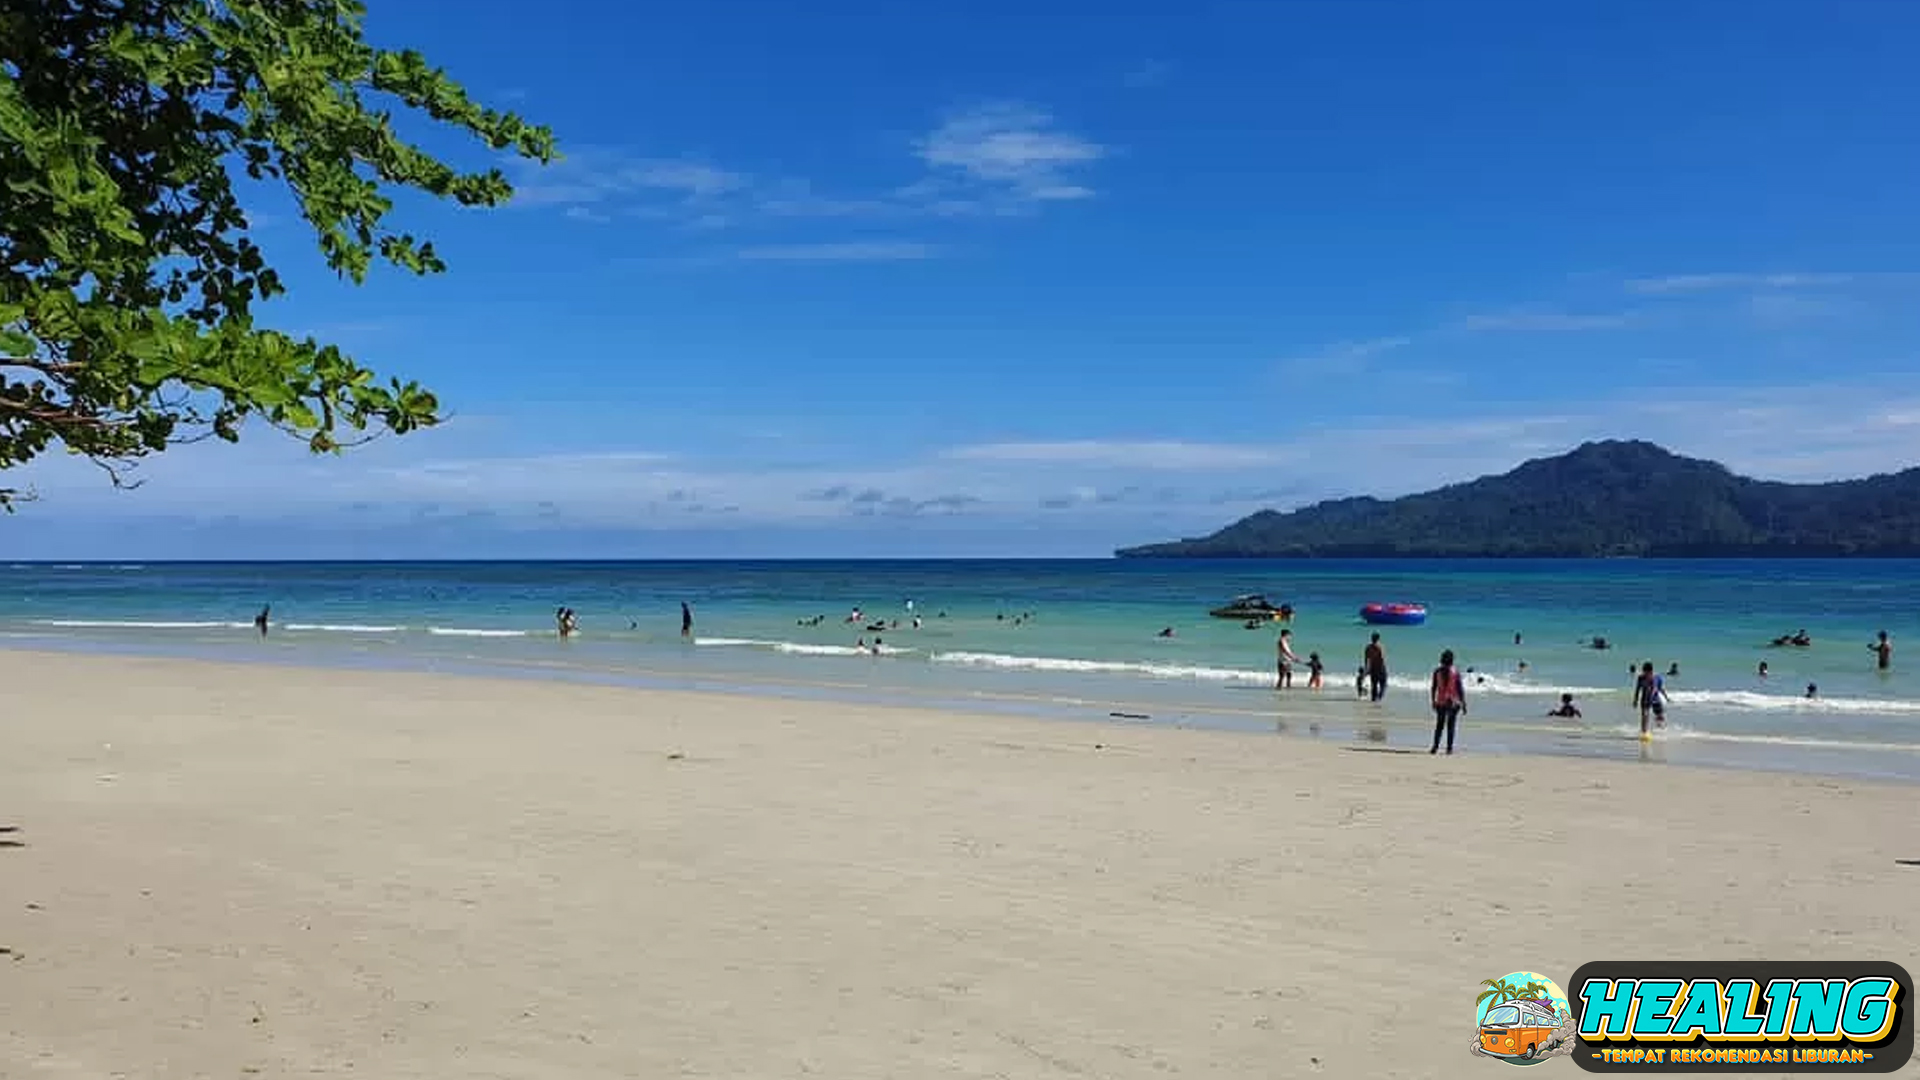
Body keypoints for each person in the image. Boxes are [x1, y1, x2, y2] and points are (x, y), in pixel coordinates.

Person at [1429, 649, 1466, 755]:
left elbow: (1433, 688)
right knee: (1451, 726)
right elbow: (1460, 689)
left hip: (1441, 702)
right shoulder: (1455, 672)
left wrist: (1433, 701)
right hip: (1453, 702)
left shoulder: (1437, 671)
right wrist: (1464, 703)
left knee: (1439, 726)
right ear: (1452, 660)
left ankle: (1435, 747)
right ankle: (1449, 749)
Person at [1633, 661, 1667, 738]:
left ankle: (1659, 730)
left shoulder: (1657, 677)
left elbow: (1659, 689)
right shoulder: (1640, 678)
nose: (1644, 673)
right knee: (1644, 716)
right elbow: (1637, 689)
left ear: (1650, 671)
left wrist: (1666, 697)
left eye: (1646, 672)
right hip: (1645, 698)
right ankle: (1644, 733)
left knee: (1660, 717)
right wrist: (1635, 700)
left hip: (1655, 699)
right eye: (1643, 671)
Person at [1363, 633, 1388, 702]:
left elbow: (1366, 660)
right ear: (1378, 639)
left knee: (1374, 685)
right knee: (1383, 684)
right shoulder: (1380, 647)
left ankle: (1374, 699)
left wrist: (1367, 670)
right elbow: (1382, 658)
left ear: (1372, 638)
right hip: (1380, 668)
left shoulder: (1368, 648)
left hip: (1373, 668)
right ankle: (1379, 697)